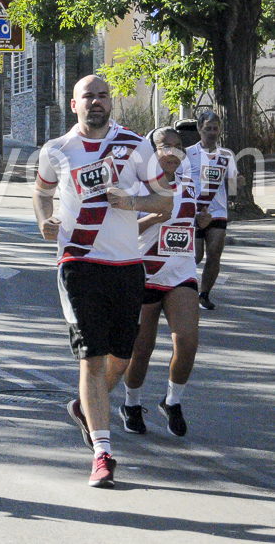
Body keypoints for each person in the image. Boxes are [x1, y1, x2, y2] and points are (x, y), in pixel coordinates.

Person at [32, 75, 172, 489]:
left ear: (111, 103)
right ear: (72, 103)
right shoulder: (56, 149)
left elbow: (165, 201)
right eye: (88, 96)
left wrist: (131, 201)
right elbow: (42, 192)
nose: (96, 102)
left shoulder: (135, 145)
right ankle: (102, 451)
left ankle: (84, 407)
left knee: (121, 359)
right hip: (79, 262)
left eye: (103, 96)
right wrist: (45, 221)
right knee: (91, 356)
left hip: (128, 264)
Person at [121, 128, 203, 438]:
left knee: (188, 342)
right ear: (151, 151)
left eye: (178, 146)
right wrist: (153, 218)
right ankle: (131, 403)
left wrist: (203, 219)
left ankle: (173, 401)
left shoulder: (189, 182)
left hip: (180, 273)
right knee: (141, 350)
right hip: (143, 272)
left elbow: (191, 216)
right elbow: (123, 230)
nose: (172, 151)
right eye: (164, 146)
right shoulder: (138, 185)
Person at [186, 111, 244, 310]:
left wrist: (238, 182)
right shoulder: (188, 153)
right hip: (193, 211)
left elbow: (233, 185)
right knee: (196, 255)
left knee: (214, 253)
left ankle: (204, 294)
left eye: (215, 128)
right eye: (208, 128)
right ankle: (180, 288)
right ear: (199, 128)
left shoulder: (226, 155)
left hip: (217, 211)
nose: (212, 132)